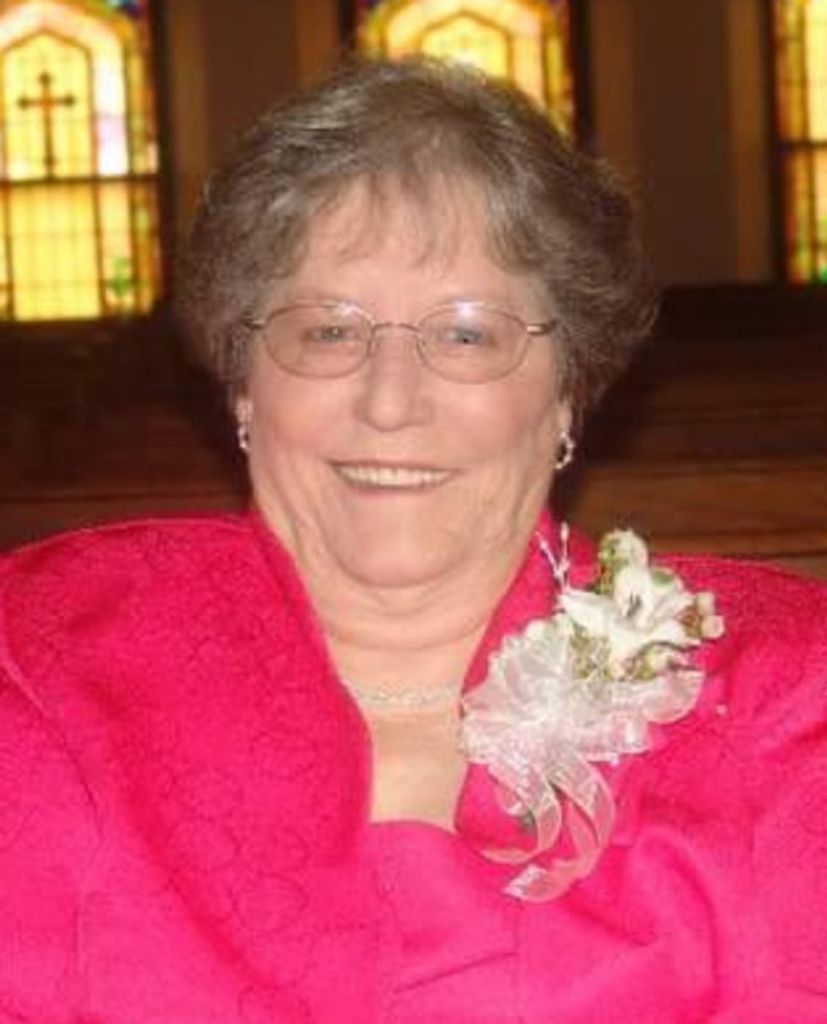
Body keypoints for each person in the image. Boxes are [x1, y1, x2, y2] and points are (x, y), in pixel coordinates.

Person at [1, 57, 825, 1024]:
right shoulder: (46, 664)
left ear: (566, 392)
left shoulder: (783, 696)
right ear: (242, 385)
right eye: (327, 332)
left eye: (467, 334)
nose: (389, 402)